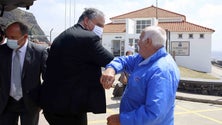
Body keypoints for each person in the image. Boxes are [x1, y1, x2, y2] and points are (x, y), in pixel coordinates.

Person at [39, 8, 114, 125]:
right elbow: (109, 59)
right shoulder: (87, 37)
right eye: (99, 25)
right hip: (69, 108)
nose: (101, 29)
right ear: (86, 21)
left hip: (54, 103)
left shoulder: (65, 35)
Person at [100, 26, 180, 125]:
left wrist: (122, 120)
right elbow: (123, 61)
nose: (137, 42)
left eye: (140, 38)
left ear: (148, 41)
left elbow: (154, 113)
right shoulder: (144, 58)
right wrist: (111, 69)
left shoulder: (162, 71)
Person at [0, 22, 48, 125]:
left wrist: (42, 100)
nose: (9, 40)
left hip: (30, 103)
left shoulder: (39, 52)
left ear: (25, 37)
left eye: (13, 37)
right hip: (6, 102)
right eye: (8, 37)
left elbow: (48, 79)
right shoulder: (2, 51)